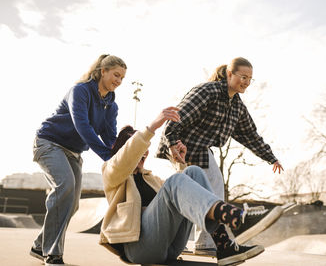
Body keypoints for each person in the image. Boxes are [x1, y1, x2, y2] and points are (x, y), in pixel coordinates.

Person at [99, 107, 265, 266]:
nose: (144, 152)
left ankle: (224, 245)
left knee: (193, 172)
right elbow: (124, 159)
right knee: (175, 181)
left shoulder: (152, 179)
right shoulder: (112, 174)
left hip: (170, 247)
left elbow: (181, 197)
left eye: (145, 149)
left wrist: (181, 164)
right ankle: (231, 216)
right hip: (138, 248)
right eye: (139, 148)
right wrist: (152, 127)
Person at [156, 57, 284, 255]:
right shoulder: (209, 91)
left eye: (250, 79)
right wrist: (172, 142)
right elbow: (178, 116)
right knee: (211, 189)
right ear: (229, 74)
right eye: (243, 77)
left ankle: (192, 242)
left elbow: (250, 135)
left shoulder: (237, 106)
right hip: (183, 147)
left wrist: (271, 157)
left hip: (201, 150)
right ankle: (204, 242)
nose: (246, 82)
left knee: (197, 195)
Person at [29, 54, 127, 266]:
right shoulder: (80, 91)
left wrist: (119, 156)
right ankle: (52, 253)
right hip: (49, 143)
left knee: (72, 204)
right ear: (103, 71)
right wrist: (106, 156)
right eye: (116, 75)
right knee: (65, 187)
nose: (119, 81)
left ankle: (39, 245)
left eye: (122, 78)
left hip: (74, 152)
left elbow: (110, 136)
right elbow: (83, 126)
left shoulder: (111, 105)